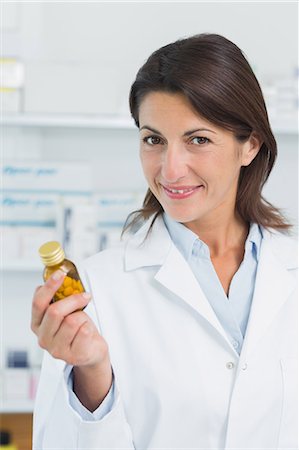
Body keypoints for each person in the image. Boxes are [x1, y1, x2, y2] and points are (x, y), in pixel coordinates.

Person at [31, 33, 297, 449]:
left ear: (250, 145)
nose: (170, 170)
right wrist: (93, 374)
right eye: (154, 140)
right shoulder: (94, 290)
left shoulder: (291, 272)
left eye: (199, 140)